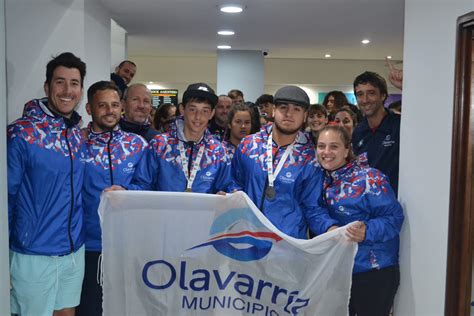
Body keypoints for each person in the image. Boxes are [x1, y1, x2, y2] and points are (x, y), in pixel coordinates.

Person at [7, 52, 87, 316]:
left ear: (81, 89)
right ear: (47, 86)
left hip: (74, 250)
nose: (67, 90)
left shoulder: (76, 133)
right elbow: (6, 196)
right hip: (33, 252)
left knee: (66, 313)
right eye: (60, 82)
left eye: (74, 83)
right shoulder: (21, 133)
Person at [76, 81, 147, 316]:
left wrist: (129, 193)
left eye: (115, 105)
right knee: (91, 309)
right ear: (89, 109)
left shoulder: (137, 145)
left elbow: (147, 186)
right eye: (102, 105)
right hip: (89, 244)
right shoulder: (77, 144)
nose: (110, 111)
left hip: (128, 245)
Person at [316, 125, 404, 316]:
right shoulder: (318, 178)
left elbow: (394, 217)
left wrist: (367, 231)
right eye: (321, 146)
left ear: (347, 149)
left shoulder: (369, 177)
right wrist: (329, 227)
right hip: (337, 269)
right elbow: (313, 212)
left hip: (373, 272)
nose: (326, 152)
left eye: (334, 146)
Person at [232, 85, 338, 239]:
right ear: (274, 110)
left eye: (296, 109)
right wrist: (233, 193)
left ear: (305, 116)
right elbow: (233, 181)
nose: (289, 113)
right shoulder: (249, 145)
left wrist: (330, 228)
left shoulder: (310, 158)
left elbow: (312, 207)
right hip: (245, 239)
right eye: (283, 107)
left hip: (286, 245)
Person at [109, 82, 232, 193]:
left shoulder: (218, 151)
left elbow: (225, 187)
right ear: (182, 109)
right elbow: (144, 184)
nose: (198, 117)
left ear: (211, 114)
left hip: (204, 217)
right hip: (163, 217)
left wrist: (228, 194)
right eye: (192, 109)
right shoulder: (160, 144)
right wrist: (124, 191)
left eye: (205, 111)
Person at [351, 71, 401, 195]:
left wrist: (406, 86)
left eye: (371, 93)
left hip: (396, 203)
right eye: (360, 94)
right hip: (369, 202)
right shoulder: (359, 130)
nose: (365, 100)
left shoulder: (398, 125)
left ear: (383, 96)